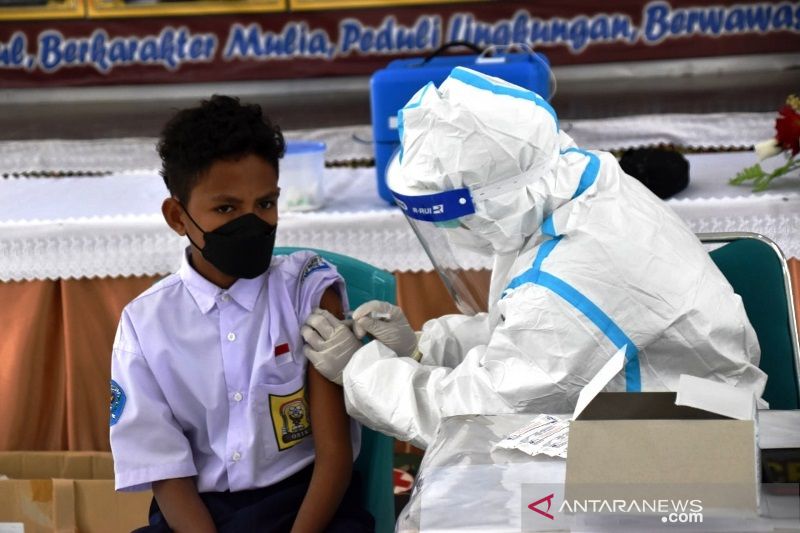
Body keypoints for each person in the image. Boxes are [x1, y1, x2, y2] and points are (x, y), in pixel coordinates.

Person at [301, 67, 767, 450]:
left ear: (494, 201)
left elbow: (477, 413)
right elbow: (522, 333)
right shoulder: (580, 183)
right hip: (667, 405)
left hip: (699, 448)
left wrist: (359, 370)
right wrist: (423, 346)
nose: (456, 235)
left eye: (454, 221)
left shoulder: (574, 270)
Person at [109, 95, 373, 532]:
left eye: (265, 204)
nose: (252, 223)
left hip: (306, 506)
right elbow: (167, 473)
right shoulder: (145, 325)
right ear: (178, 216)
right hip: (198, 513)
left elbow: (334, 456)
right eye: (226, 208)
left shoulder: (308, 290)